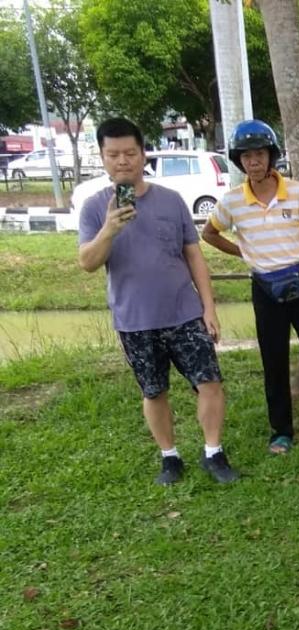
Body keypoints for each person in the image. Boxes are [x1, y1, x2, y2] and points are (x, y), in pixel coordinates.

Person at [78, 117, 239, 486]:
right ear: (102, 158)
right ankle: (170, 458)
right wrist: (109, 229)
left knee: (210, 381)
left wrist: (209, 307)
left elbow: (194, 254)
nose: (123, 161)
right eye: (113, 154)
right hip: (134, 319)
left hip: (184, 313)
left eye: (130, 153)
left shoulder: (170, 200)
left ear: (143, 154)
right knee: (153, 390)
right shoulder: (93, 208)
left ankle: (213, 452)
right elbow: (88, 262)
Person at [201, 120, 299, 455]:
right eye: (247, 156)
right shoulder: (233, 201)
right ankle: (281, 432)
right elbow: (209, 233)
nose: (254, 161)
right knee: (274, 361)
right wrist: (243, 252)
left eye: (260, 154)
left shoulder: (295, 192)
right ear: (238, 161)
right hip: (265, 291)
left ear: (271, 156)